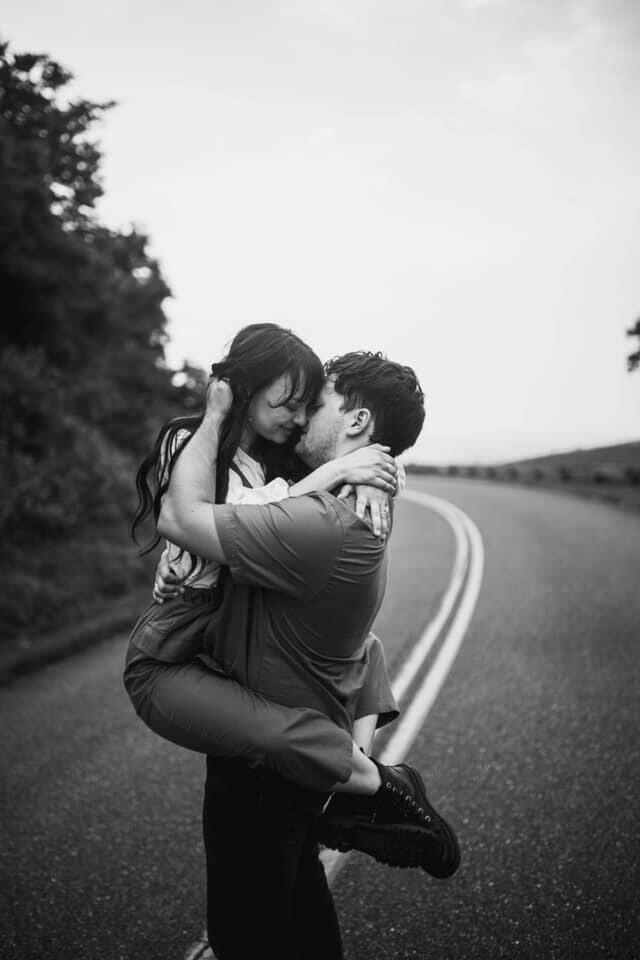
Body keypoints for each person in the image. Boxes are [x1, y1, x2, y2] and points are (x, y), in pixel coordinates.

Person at [157, 351, 460, 959]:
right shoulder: (351, 505)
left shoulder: (322, 523)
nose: (298, 420)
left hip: (261, 767)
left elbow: (180, 518)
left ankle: (373, 785)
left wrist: (215, 416)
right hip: (291, 741)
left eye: (317, 403)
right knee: (304, 929)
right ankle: (358, 781)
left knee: (247, 939)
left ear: (357, 421)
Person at [125, 324, 401, 794]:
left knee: (365, 645)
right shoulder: (192, 444)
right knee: (275, 728)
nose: (297, 418)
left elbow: (288, 504)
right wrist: (340, 467)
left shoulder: (272, 457)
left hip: (232, 609)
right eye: (289, 404)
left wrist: (372, 471)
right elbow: (242, 515)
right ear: (247, 390)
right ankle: (367, 784)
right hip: (190, 624)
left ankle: (358, 764)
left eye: (306, 406)